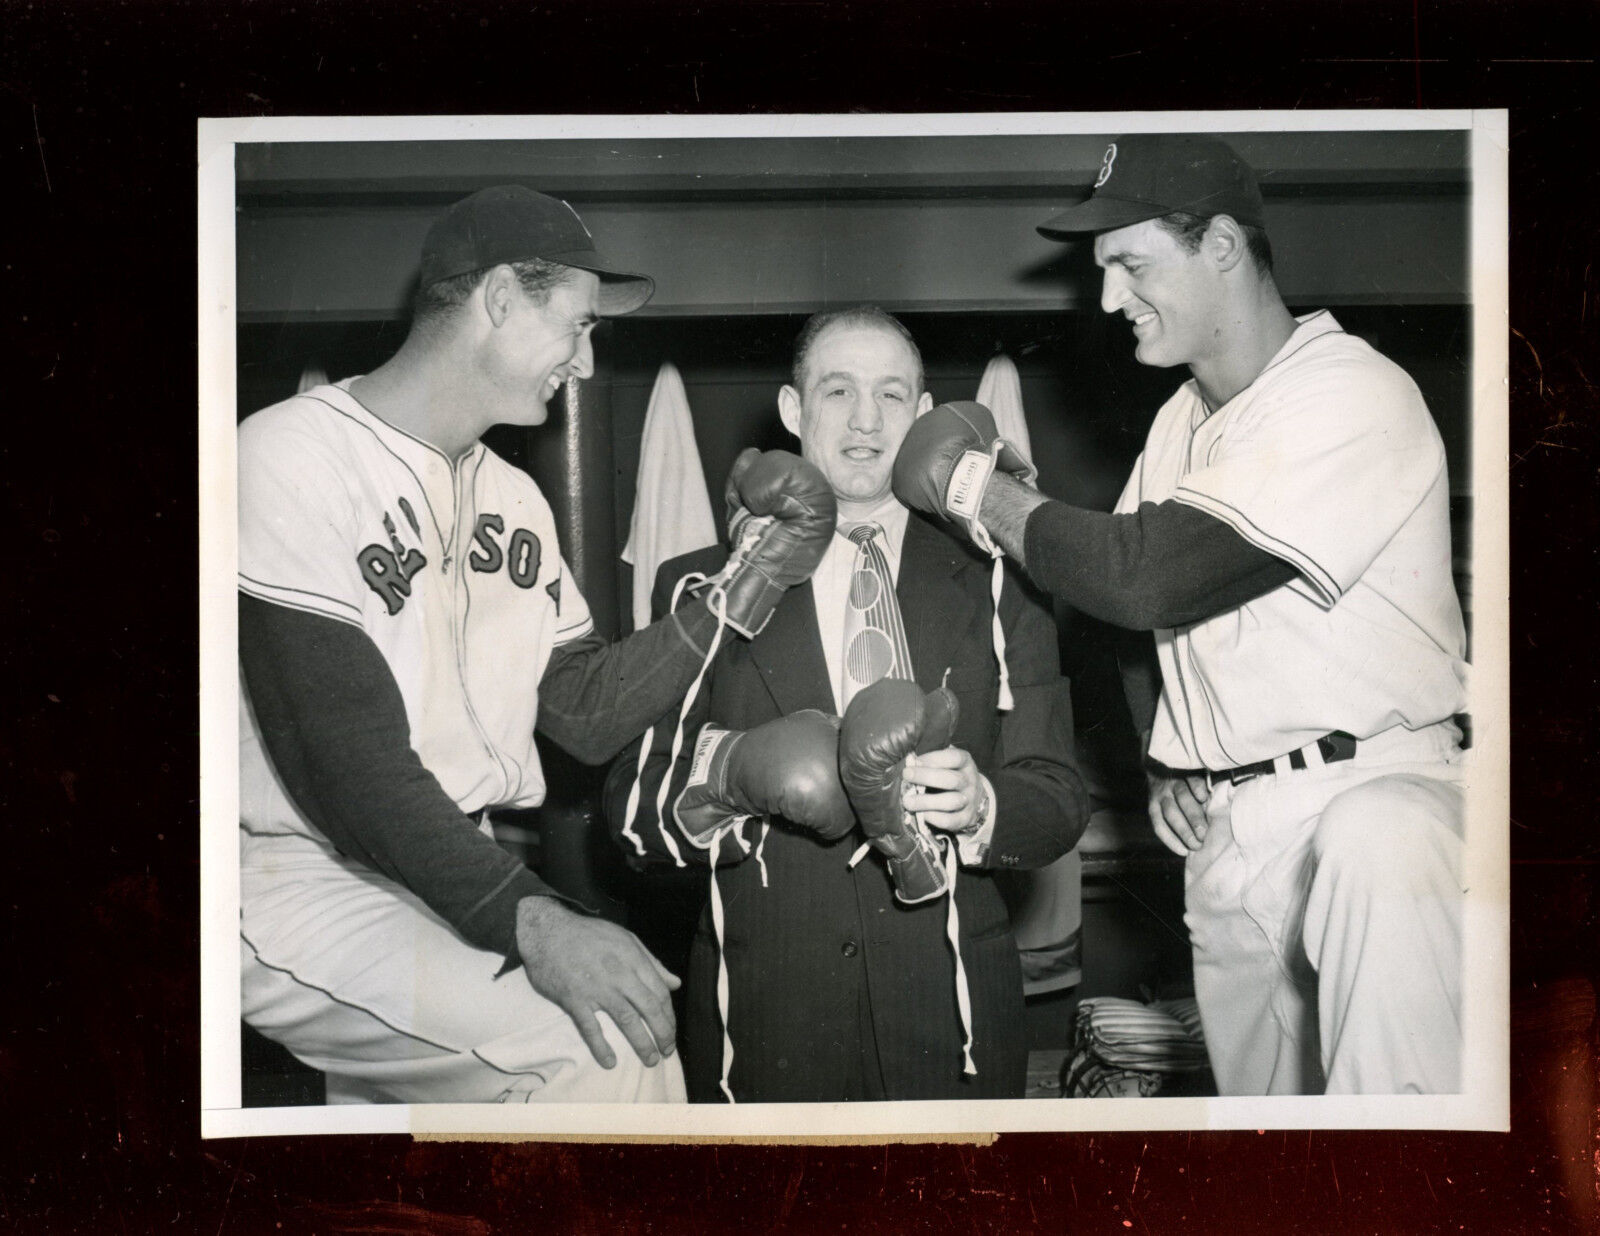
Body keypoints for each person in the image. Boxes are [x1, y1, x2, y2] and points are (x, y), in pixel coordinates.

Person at [892, 135, 1470, 1096]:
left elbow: (1150, 576)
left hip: (1375, 802)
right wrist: (1164, 755)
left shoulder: (1350, 392)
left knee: (1388, 1150)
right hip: (1233, 830)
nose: (1109, 297)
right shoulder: (1180, 419)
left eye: (1130, 263)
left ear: (1224, 249)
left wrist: (971, 491)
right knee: (1272, 1163)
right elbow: (1120, 616)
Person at [237, 186, 836, 1104]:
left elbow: (582, 711)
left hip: (446, 864)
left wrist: (743, 582)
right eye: (579, 327)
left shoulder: (514, 497)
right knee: (605, 1048)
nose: (588, 364)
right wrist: (533, 919)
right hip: (304, 872)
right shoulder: (287, 457)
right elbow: (344, 765)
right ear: (501, 299)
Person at [604, 306, 1087, 1102]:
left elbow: (1058, 793)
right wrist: (726, 774)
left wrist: (982, 803)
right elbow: (631, 814)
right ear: (794, 411)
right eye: (838, 391)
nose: (867, 420)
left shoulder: (1003, 576)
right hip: (764, 1019)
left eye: (892, 395)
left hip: (956, 1016)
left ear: (925, 416)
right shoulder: (703, 586)